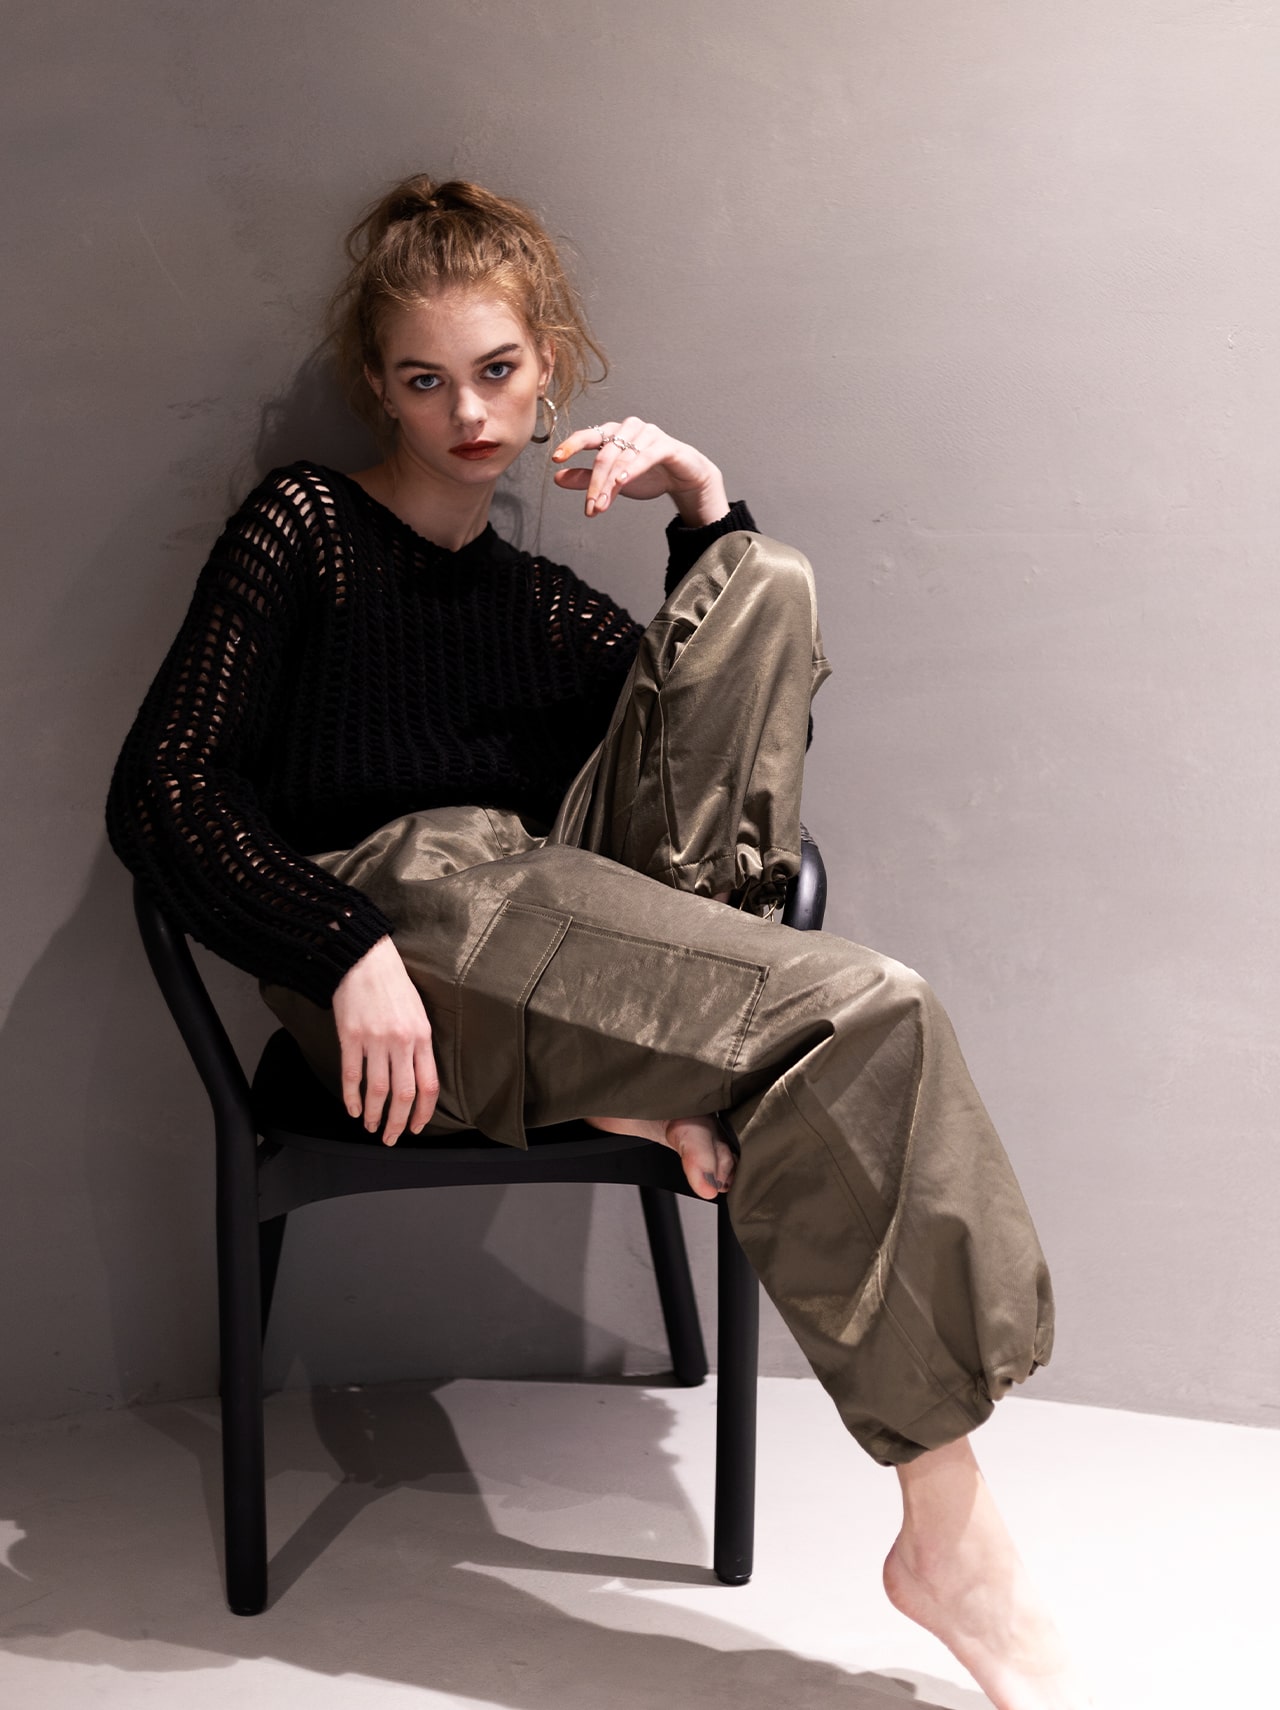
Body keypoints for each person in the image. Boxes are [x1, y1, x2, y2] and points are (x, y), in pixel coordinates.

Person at [106, 175, 1093, 1709]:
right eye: (424, 379)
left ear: (548, 367)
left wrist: (701, 504)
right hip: (401, 936)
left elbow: (701, 763)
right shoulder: (302, 529)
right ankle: (945, 1527)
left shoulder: (536, 606)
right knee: (851, 1009)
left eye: (496, 370)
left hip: (536, 914)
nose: (466, 413)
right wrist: (341, 939)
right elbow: (164, 787)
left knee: (767, 593)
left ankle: (689, 1113)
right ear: (377, 383)